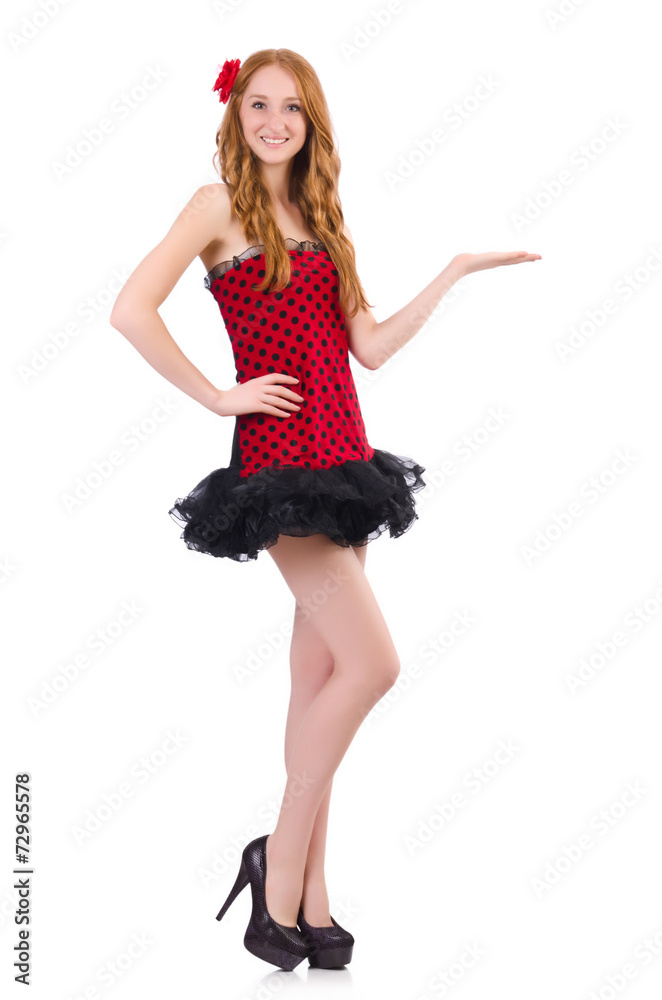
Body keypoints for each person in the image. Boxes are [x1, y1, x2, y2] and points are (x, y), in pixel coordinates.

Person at [109, 48, 541, 971]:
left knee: (320, 680)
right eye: (259, 106)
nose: (275, 123)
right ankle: (276, 862)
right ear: (237, 117)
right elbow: (130, 310)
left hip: (346, 460)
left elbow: (368, 347)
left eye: (292, 109)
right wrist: (217, 395)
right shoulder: (215, 207)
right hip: (280, 468)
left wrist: (455, 271)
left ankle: (310, 895)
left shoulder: (323, 217)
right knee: (376, 664)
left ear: (312, 124)